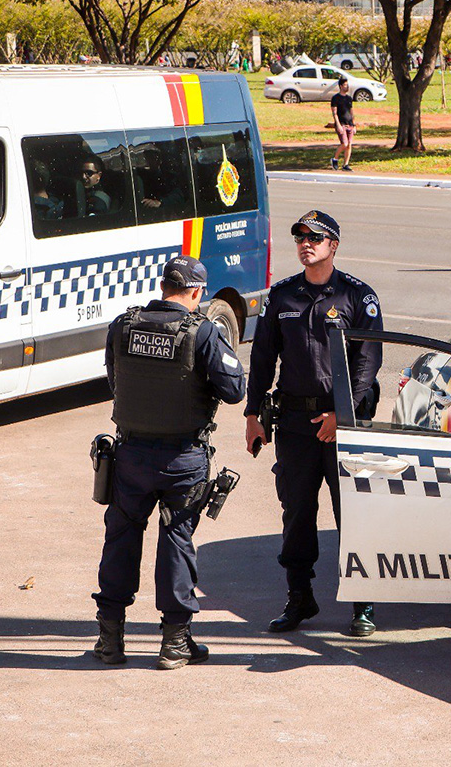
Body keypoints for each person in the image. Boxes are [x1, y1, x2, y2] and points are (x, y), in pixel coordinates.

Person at [92, 256, 246, 669]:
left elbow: (114, 380)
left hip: (130, 455)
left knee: (121, 539)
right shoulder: (204, 332)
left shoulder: (123, 325)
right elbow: (235, 391)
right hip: (182, 458)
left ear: (163, 286)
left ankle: (110, 640)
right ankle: (174, 643)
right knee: (177, 541)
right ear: (196, 292)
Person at [245, 210, 384, 637]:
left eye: (316, 237)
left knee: (353, 514)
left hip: (343, 422)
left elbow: (369, 361)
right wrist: (252, 414)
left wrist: (343, 413)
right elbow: (263, 356)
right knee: (297, 512)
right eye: (300, 237)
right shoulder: (281, 296)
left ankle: (363, 604)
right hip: (294, 423)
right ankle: (299, 598)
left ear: (333, 245)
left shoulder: (357, 297)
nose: (306, 244)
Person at [328, 78, 356, 172]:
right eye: (345, 85)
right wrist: (338, 125)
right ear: (340, 86)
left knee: (349, 145)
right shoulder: (335, 98)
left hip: (350, 124)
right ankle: (335, 159)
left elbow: (351, 112)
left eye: (347, 85)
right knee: (344, 143)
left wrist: (354, 124)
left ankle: (345, 164)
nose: (347, 86)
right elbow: (334, 113)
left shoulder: (349, 98)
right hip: (341, 124)